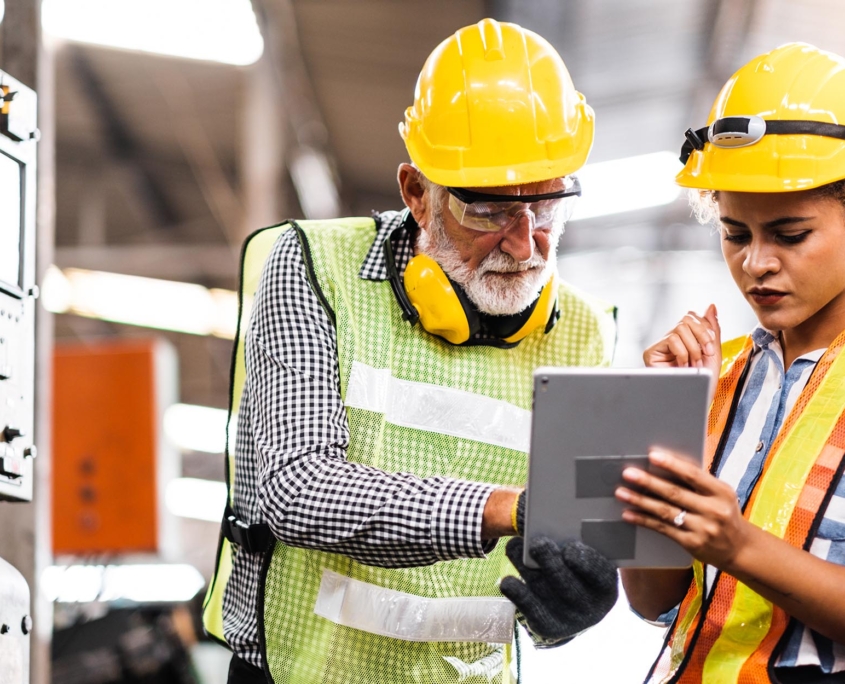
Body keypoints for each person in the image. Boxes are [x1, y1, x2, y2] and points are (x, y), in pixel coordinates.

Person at [203, 18, 620, 684]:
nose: (526, 244)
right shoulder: (317, 269)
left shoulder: (583, 334)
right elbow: (297, 489)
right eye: (487, 212)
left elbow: (563, 545)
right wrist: (502, 510)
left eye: (545, 208)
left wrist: (565, 614)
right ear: (416, 193)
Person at [617, 43, 845, 683]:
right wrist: (665, 422)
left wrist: (738, 544)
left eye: (791, 235)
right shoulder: (722, 377)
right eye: (735, 233)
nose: (756, 263)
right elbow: (652, 600)